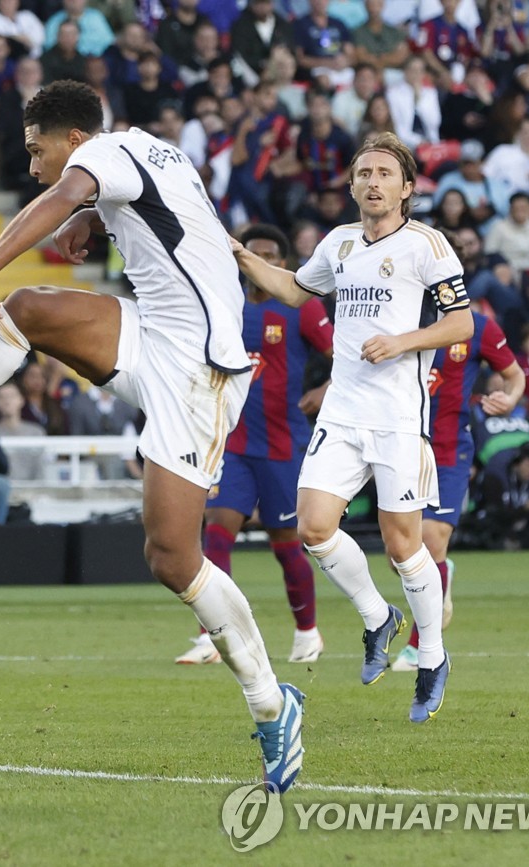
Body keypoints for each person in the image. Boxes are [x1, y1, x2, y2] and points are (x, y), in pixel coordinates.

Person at [0, 82, 304, 793]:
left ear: (73, 141)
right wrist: (94, 221)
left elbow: (59, 196)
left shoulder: (106, 156)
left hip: (200, 373)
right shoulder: (150, 150)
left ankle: (273, 703)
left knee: (172, 556)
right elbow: (156, 221)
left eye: (35, 150)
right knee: (28, 312)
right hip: (157, 333)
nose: (33, 166)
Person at [228, 131, 473, 724]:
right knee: (313, 527)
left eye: (385, 173)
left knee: (401, 545)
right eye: (364, 173)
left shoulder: (427, 245)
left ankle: (433, 657)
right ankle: (376, 618)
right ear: (352, 185)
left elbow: (460, 322)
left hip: (397, 418)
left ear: (407, 188)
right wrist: (241, 255)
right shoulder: (338, 244)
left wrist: (403, 341)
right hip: (342, 414)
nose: (372, 182)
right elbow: (292, 287)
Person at [175, 224, 333, 668]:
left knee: (285, 541)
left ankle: (307, 632)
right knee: (217, 533)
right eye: (254, 253)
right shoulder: (225, 306)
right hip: (235, 443)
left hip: (285, 444)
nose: (261, 261)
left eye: (271, 254)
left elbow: (346, 357)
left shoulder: (302, 311)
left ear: (282, 264)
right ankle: (212, 635)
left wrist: (326, 389)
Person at [393, 310, 525, 671]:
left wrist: (510, 399)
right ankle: (442, 575)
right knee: (400, 555)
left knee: (430, 541)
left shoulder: (475, 325)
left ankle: (420, 646)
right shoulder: (394, 312)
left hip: (450, 449)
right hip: (399, 446)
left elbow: (514, 376)